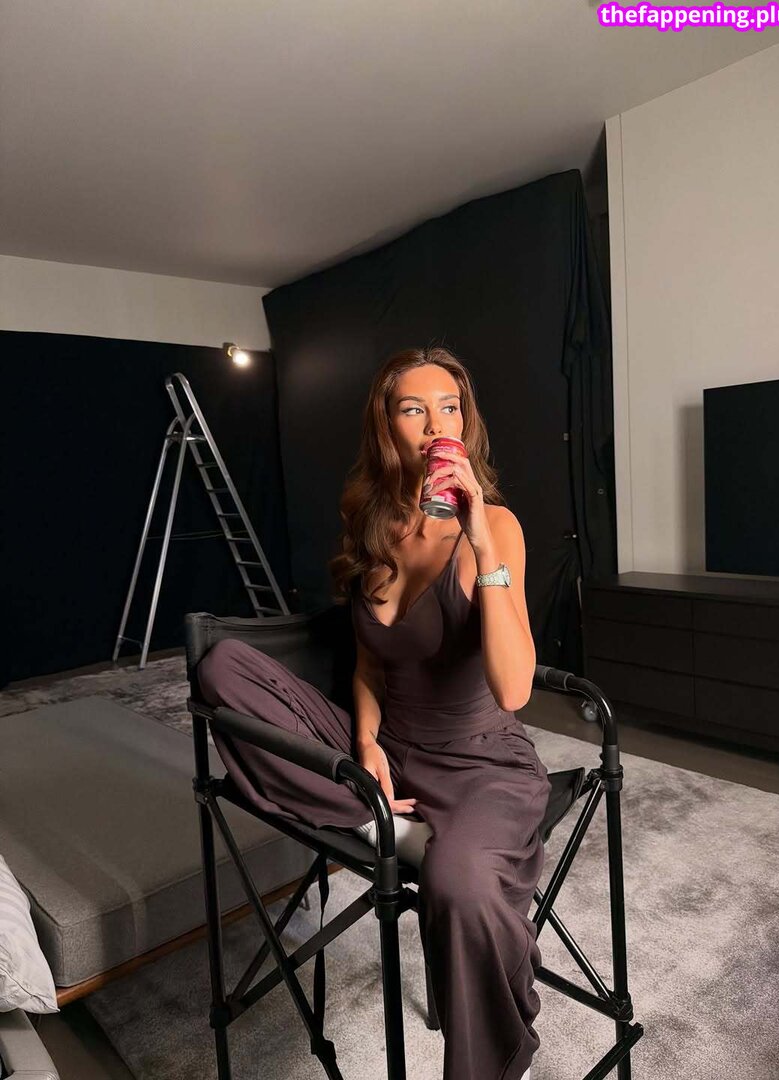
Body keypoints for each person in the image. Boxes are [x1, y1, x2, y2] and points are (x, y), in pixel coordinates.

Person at [198, 345, 551, 1080]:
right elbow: (367, 664)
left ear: (467, 423)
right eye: (414, 409)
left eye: (450, 408)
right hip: (391, 749)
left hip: (482, 762)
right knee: (222, 666)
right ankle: (375, 820)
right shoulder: (373, 524)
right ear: (386, 426)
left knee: (460, 885)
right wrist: (365, 743)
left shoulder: (498, 528)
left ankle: (488, 1053)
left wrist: (481, 541)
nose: (436, 426)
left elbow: (516, 690)